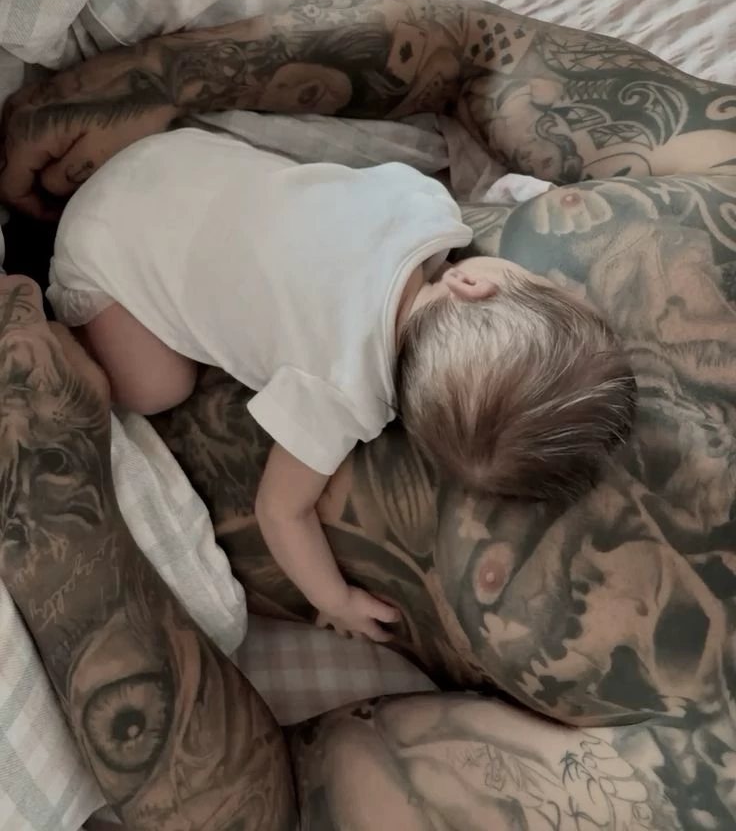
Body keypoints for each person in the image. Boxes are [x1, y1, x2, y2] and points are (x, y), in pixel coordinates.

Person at [1, 0, 735, 830]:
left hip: (82, 492)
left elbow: (258, 812)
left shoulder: (705, 776)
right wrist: (152, 78)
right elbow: (472, 52)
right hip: (126, 189)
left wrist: (48, 480)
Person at [45, 125, 634, 640]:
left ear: (472, 285)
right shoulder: (336, 391)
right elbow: (282, 512)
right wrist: (336, 600)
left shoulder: (422, 209)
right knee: (156, 391)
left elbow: (279, 508)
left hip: (168, 158)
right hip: (100, 246)